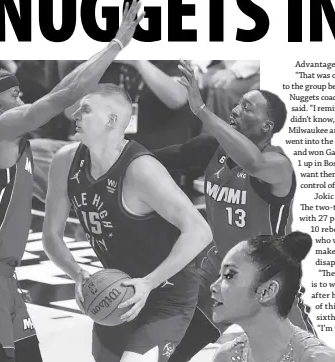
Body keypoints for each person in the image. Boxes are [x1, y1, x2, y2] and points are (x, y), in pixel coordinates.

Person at [0, 0, 143, 362]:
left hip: (2, 278)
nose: (26, 100)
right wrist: (116, 44)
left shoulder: (12, 145)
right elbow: (64, 96)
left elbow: (59, 95)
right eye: (16, 95)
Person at [152, 60, 315, 361]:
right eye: (238, 104)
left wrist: (201, 110)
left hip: (270, 281)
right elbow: (159, 159)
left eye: (248, 108)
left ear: (266, 127)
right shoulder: (211, 148)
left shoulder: (278, 166)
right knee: (171, 350)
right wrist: (115, 154)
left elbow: (253, 164)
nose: (236, 110)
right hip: (220, 269)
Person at [42, 85, 213, 361]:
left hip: (165, 294)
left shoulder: (141, 169)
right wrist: (78, 274)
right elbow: (51, 235)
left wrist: (148, 283)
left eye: (85, 109)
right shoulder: (65, 162)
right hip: (117, 292)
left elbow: (199, 230)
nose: (74, 114)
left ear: (110, 120)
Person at [211, 232, 335, 362]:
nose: (214, 286)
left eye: (229, 276)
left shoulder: (317, 359)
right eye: (219, 276)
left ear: (267, 291)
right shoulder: (225, 356)